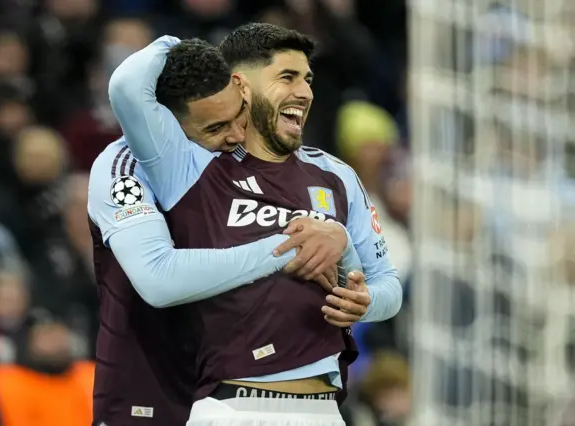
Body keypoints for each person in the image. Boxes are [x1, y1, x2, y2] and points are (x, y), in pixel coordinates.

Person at [108, 25, 401, 425]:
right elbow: (126, 86)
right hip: (233, 406)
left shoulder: (336, 175)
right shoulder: (190, 166)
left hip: (324, 409)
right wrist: (184, 48)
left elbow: (388, 286)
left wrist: (363, 300)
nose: (305, 92)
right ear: (240, 86)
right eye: (287, 77)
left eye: (308, 79)